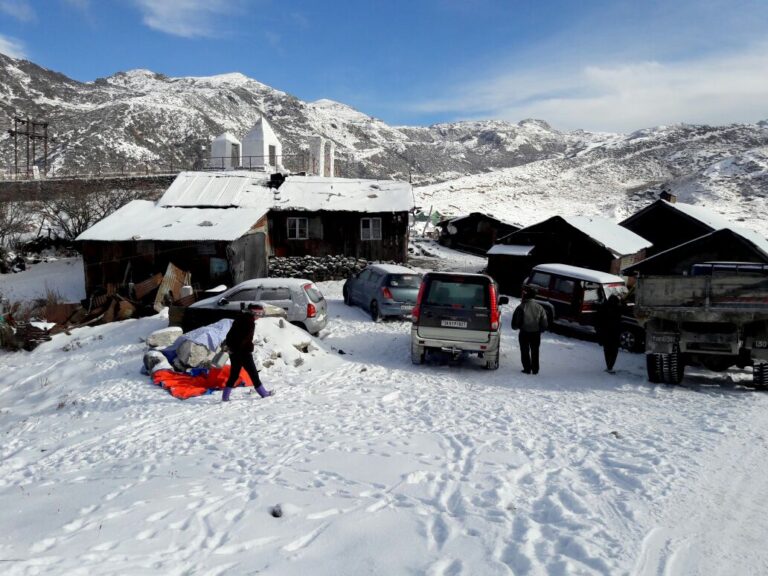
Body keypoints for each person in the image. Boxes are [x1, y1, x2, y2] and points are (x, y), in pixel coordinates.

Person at [222, 304, 274, 402]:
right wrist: (248, 346)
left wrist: (230, 347)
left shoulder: (240, 318)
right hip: (243, 352)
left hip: (233, 351)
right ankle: (263, 393)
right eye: (259, 314)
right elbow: (245, 339)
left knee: (234, 374)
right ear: (254, 313)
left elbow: (230, 335)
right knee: (253, 373)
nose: (259, 316)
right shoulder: (250, 322)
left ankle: (225, 397)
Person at [511, 286, 548, 374]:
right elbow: (544, 323)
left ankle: (527, 369)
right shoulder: (540, 307)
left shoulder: (521, 307)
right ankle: (535, 369)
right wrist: (540, 330)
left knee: (524, 351)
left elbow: (515, 323)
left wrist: (516, 327)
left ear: (526, 296)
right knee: (535, 351)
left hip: (524, 333)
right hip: (535, 334)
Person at [596, 294, 622, 373]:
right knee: (614, 351)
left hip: (606, 333)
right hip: (615, 333)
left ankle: (609, 366)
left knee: (607, 350)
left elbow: (599, 321)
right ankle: (610, 366)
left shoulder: (603, 307)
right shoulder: (618, 308)